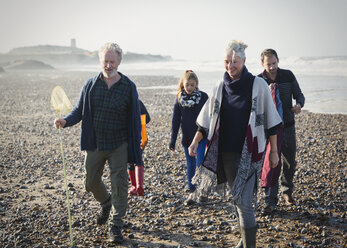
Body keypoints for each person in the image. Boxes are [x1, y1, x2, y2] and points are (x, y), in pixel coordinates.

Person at [188, 41, 282, 247]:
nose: (231, 66)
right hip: (226, 154)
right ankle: (244, 239)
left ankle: (249, 244)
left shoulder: (258, 86)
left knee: (244, 203)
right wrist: (195, 142)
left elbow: (272, 122)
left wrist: (274, 151)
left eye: (235, 62)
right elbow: (206, 121)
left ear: (244, 61)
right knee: (238, 200)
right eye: (227, 61)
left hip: (250, 153)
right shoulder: (219, 87)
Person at [54, 42, 142, 244]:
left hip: (119, 144)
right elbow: (79, 110)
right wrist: (65, 121)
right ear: (100, 61)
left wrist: (135, 150)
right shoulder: (91, 85)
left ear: (119, 61)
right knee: (90, 182)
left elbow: (135, 121)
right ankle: (106, 203)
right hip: (95, 142)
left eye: (112, 61)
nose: (109, 65)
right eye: (105, 61)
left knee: (119, 184)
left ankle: (115, 225)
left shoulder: (129, 87)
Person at [258, 49, 305, 210]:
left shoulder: (288, 76)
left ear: (278, 60)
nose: (272, 67)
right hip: (270, 130)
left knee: (290, 162)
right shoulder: (259, 81)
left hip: (288, 127)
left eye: (274, 63)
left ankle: (287, 190)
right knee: (272, 162)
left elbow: (299, 95)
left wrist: (299, 105)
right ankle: (270, 200)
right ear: (262, 64)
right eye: (268, 64)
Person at [169, 70, 208, 195]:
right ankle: (191, 187)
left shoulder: (203, 97)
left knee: (200, 162)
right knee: (190, 163)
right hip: (187, 137)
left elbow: (209, 117)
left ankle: (203, 187)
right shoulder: (179, 100)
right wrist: (172, 141)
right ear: (183, 84)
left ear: (196, 84)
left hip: (201, 136)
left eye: (192, 85)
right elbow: (175, 122)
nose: (189, 88)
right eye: (187, 85)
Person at [128, 100, 150, 196]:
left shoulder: (121, 102)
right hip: (139, 138)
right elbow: (147, 119)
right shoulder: (138, 102)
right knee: (138, 160)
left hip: (126, 138)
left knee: (130, 162)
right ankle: (139, 185)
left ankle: (133, 186)